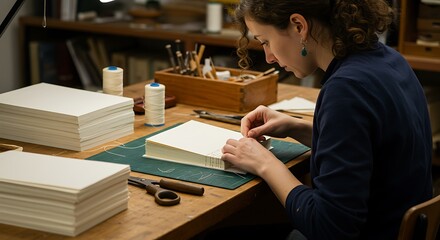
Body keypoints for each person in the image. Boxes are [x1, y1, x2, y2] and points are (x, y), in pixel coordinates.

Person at [220, 0, 433, 239]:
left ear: (299, 26)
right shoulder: (388, 60)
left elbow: (329, 227)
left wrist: (265, 164)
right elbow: (371, 146)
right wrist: (297, 127)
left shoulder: (346, 89)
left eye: (266, 41)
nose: (268, 57)